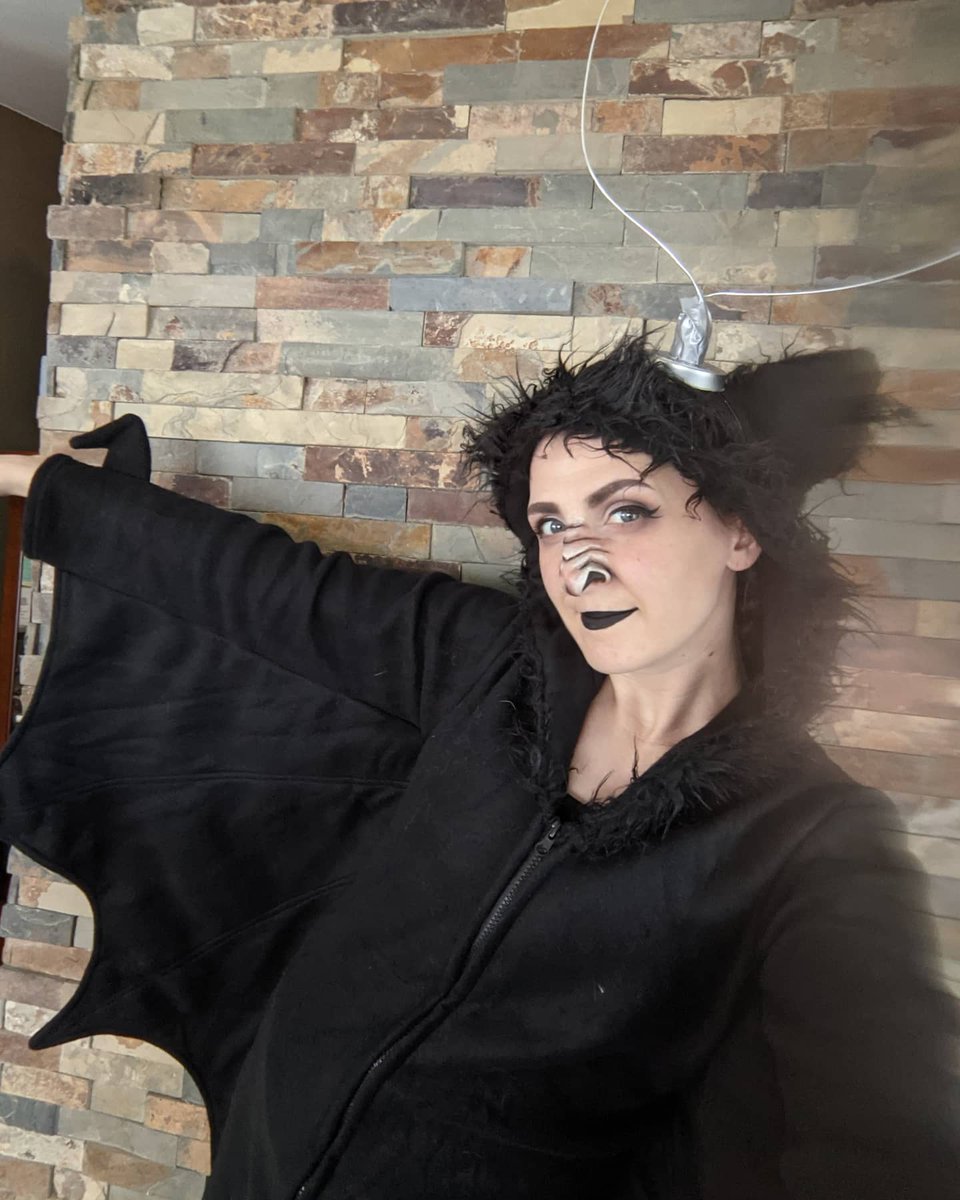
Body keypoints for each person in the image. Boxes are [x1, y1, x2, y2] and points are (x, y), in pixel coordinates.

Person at [0, 333, 957, 1199]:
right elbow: (263, 586)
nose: (578, 564)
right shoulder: (492, 663)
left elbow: (875, 1146)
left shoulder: (812, 842)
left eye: (625, 511)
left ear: (740, 532)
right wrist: (37, 483)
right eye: (551, 525)